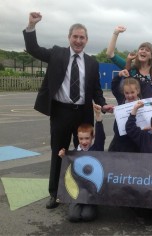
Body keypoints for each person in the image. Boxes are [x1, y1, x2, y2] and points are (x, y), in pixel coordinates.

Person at [23, 12, 114, 209]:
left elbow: (96, 90)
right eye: (75, 36)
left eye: (82, 37)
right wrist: (31, 25)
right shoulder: (57, 53)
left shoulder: (92, 62)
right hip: (61, 112)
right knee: (59, 152)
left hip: (83, 113)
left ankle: (85, 191)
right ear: (69, 37)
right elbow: (33, 49)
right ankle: (55, 193)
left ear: (87, 40)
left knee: (84, 153)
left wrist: (103, 104)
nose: (78, 40)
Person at [58, 104, 105, 222]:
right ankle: (75, 205)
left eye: (87, 138)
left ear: (92, 137)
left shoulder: (96, 149)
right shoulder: (74, 153)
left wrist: (98, 116)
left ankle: (93, 206)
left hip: (91, 192)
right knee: (73, 217)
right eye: (81, 139)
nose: (84, 141)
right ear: (78, 138)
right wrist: (63, 155)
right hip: (78, 192)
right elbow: (66, 166)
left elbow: (101, 136)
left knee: (87, 216)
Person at [106, 26, 152, 98]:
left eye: (147, 50)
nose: (144, 51)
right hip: (131, 107)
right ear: (138, 53)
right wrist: (116, 33)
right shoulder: (131, 68)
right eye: (141, 49)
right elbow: (110, 54)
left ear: (151, 56)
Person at [108, 77, 140, 152]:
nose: (129, 95)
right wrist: (119, 75)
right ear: (123, 92)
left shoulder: (143, 104)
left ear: (137, 91)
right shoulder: (121, 103)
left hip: (136, 142)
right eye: (127, 93)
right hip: (121, 141)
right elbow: (114, 86)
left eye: (132, 92)